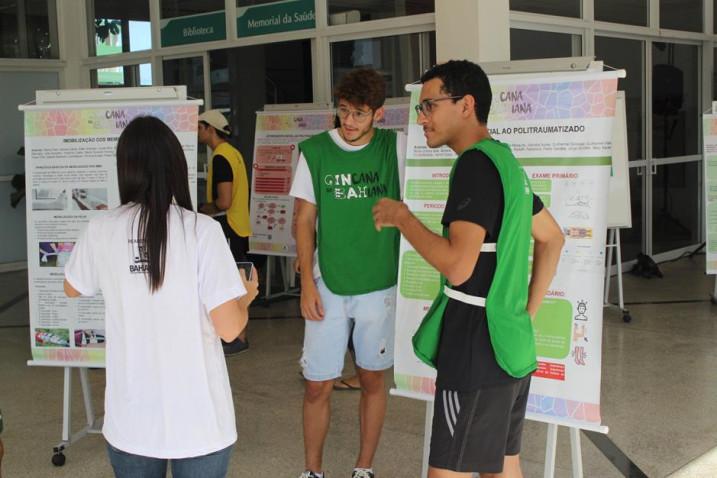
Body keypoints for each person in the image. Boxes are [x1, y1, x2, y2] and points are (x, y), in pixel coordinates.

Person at [372, 60, 565, 478]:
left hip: (476, 344)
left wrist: (403, 219)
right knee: (501, 464)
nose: (422, 118)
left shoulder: (475, 165)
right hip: (507, 341)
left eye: (429, 106)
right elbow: (552, 237)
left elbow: (459, 267)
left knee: (450, 469)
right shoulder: (505, 162)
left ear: (466, 105)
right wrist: (522, 314)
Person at [63, 116, 258, 478]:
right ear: (175, 166)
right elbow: (230, 329)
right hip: (200, 422)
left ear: (126, 169)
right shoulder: (202, 230)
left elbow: (72, 287)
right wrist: (246, 296)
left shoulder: (101, 229)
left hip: (131, 420)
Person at [290, 68, 406, 478]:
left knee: (373, 380)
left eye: (359, 114)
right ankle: (313, 471)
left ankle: (364, 467)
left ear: (379, 113)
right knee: (317, 383)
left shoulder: (397, 148)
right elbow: (304, 220)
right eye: (343, 112)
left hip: (380, 283)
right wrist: (306, 283)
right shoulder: (315, 151)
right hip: (329, 283)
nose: (350, 122)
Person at [198, 109, 253, 356]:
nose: (196, 132)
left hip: (227, 224)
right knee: (240, 279)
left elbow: (224, 201)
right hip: (239, 224)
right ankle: (238, 335)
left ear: (210, 129)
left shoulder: (221, 157)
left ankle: (237, 337)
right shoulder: (233, 153)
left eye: (199, 127)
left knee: (232, 282)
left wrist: (201, 209)